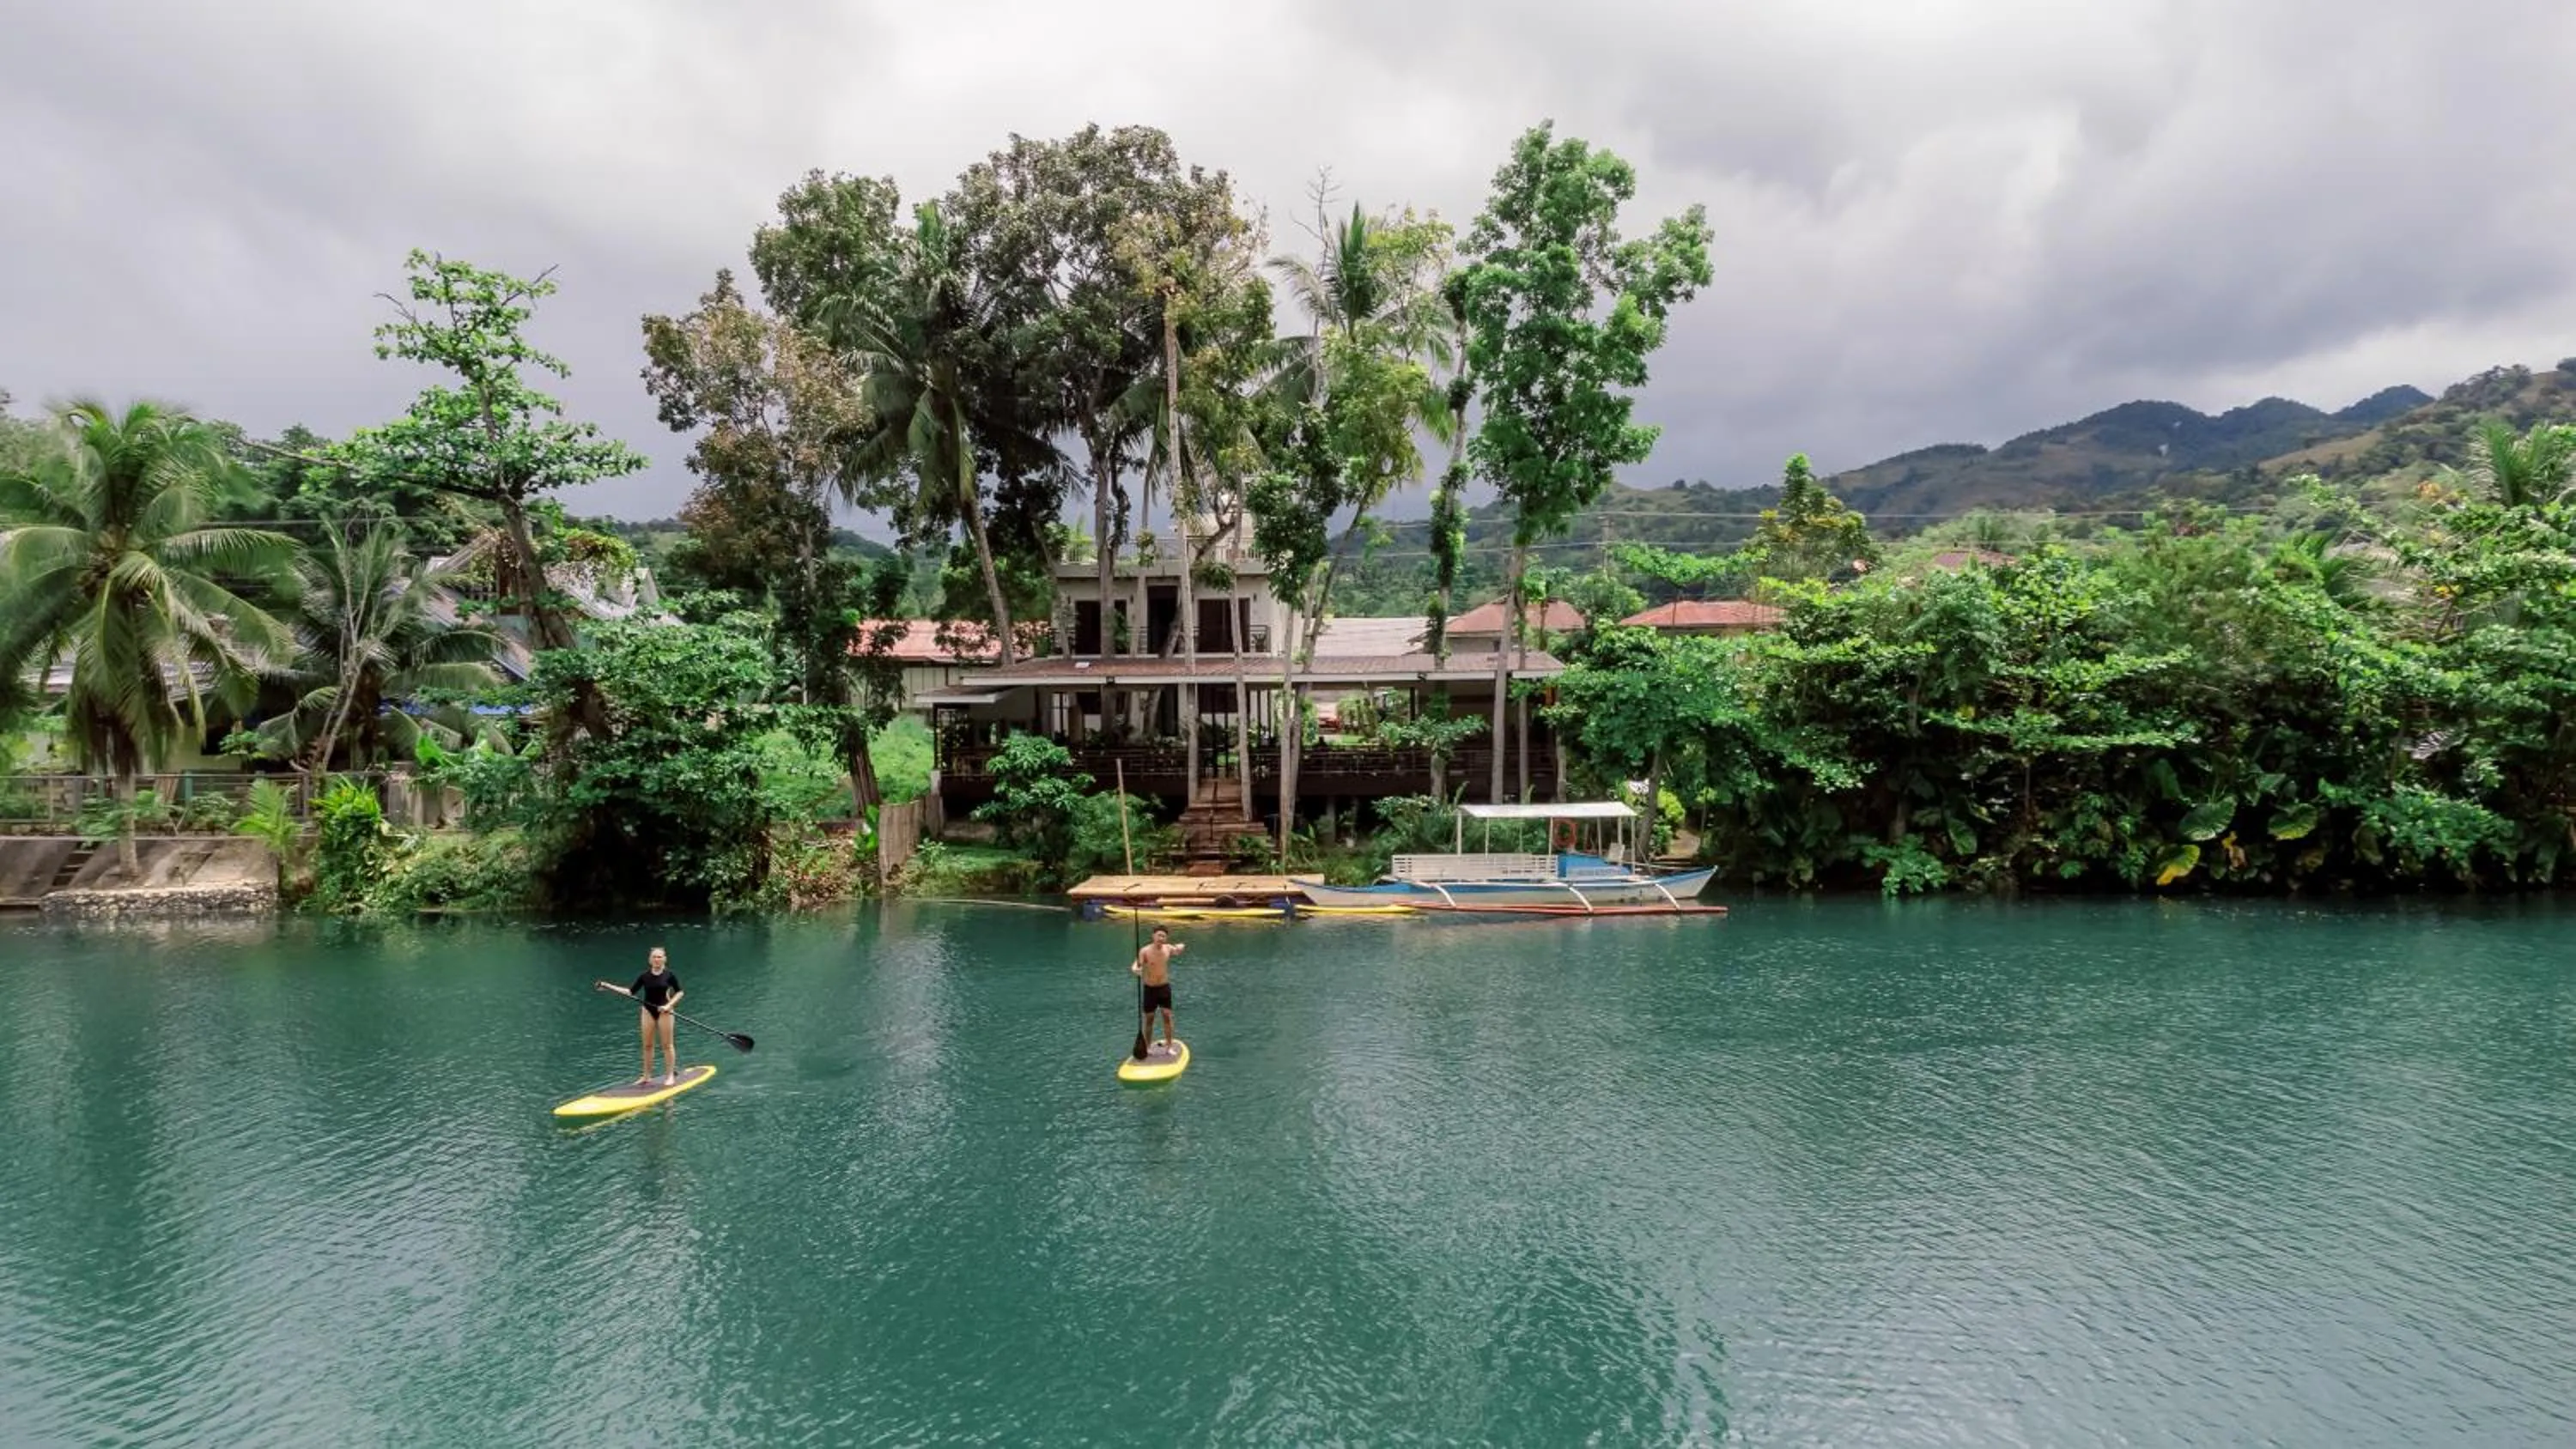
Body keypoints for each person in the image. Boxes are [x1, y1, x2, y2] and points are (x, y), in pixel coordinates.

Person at [597, 947, 683, 1085]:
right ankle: (646, 1076)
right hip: (647, 1011)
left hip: (665, 1011)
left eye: (659, 957)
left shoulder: (669, 975)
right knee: (647, 1045)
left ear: (664, 959)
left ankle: (670, 1076)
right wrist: (609, 986)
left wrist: (669, 1006)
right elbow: (630, 992)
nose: (657, 959)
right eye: (654, 957)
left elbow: (680, 992)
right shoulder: (644, 976)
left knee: (667, 1045)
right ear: (650, 960)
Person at [1131, 925, 1184, 1054]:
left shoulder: (1168, 948)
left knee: (1167, 1016)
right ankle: (1148, 1047)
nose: (1161, 938)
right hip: (1150, 989)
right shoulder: (1145, 951)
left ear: (1166, 938)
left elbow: (1178, 950)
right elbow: (1136, 964)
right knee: (1149, 1019)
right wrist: (1135, 969)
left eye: (1163, 936)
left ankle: (1169, 1047)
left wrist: (1181, 947)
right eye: (1159, 935)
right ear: (1153, 936)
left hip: (1164, 988)